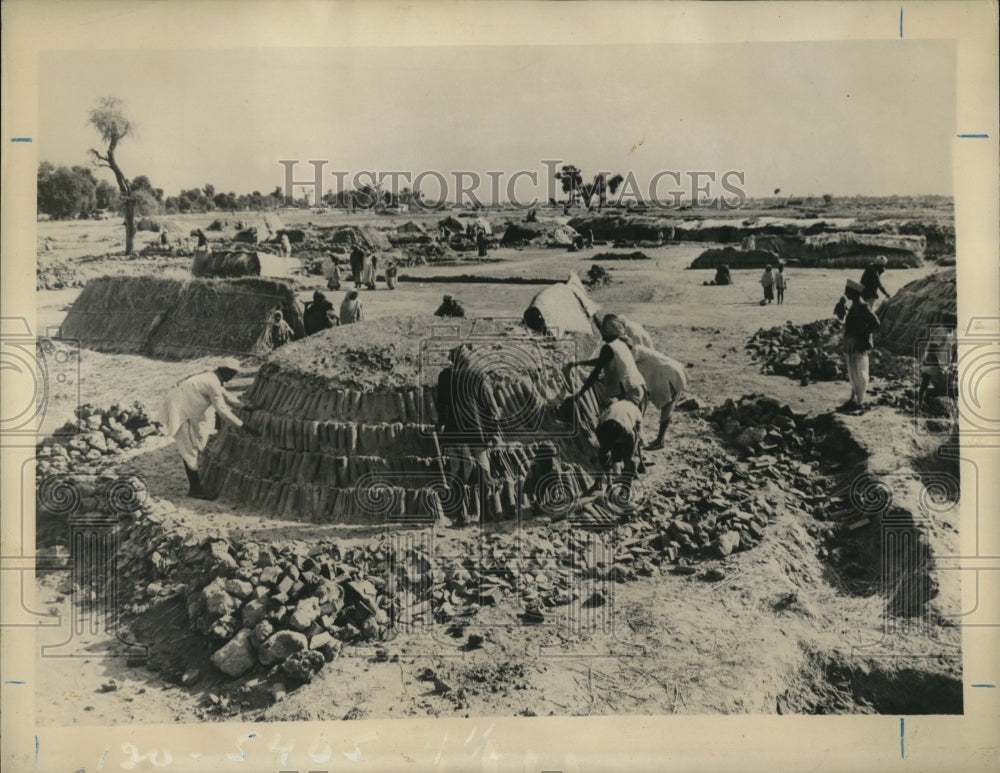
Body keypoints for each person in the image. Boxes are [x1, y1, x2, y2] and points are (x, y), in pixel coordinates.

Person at [161, 358, 256, 499]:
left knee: (192, 445)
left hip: (183, 406)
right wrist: (244, 426)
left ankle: (195, 485)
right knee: (189, 449)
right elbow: (222, 409)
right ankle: (195, 489)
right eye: (231, 375)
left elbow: (225, 394)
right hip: (179, 409)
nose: (232, 378)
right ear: (224, 371)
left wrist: (244, 407)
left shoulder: (212, 376)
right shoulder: (212, 382)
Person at [434, 345, 500, 522]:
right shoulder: (478, 375)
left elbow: (441, 406)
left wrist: (441, 425)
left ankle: (459, 515)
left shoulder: (445, 376)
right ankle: (487, 513)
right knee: (483, 470)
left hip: (454, 433)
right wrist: (493, 431)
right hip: (476, 433)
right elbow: (493, 409)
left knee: (457, 472)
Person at [566, 314, 647, 410]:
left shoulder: (608, 348)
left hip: (630, 392)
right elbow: (602, 363)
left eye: (602, 330)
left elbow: (596, 370)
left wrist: (579, 394)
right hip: (640, 387)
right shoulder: (621, 343)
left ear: (606, 332)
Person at [631, 345, 688, 451]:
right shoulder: (639, 348)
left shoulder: (634, 351)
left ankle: (659, 440)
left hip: (666, 375)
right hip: (673, 370)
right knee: (667, 408)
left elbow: (628, 368)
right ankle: (659, 440)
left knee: (666, 407)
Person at [838, 279, 881, 414]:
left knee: (859, 371)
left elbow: (876, 323)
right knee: (853, 370)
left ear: (854, 293)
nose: (846, 293)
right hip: (853, 342)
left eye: (848, 291)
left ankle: (859, 400)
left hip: (858, 343)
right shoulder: (856, 305)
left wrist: (863, 334)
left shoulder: (863, 306)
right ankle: (854, 397)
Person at [589, 398, 646, 497]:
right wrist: (606, 482)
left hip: (631, 419)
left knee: (629, 461)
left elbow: (630, 459)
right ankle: (598, 484)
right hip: (614, 417)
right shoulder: (601, 429)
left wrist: (637, 460)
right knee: (604, 455)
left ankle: (626, 489)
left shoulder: (629, 432)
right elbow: (603, 454)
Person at [917, 311, 958, 413]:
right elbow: (932, 348)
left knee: (933, 386)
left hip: (942, 364)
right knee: (927, 384)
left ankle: (925, 405)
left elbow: (951, 348)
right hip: (933, 363)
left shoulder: (950, 332)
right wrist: (936, 363)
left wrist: (951, 362)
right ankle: (920, 407)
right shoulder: (941, 331)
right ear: (949, 322)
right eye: (955, 323)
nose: (956, 325)